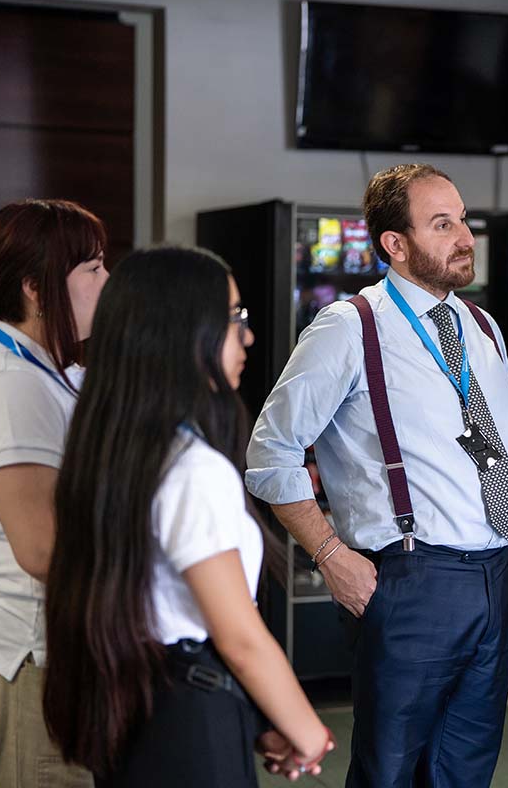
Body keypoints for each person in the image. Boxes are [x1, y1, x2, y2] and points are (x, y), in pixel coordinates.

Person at [246, 163, 508, 787]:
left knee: (466, 770)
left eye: (463, 220)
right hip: (410, 579)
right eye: (443, 224)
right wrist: (329, 554)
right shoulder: (349, 326)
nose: (465, 236)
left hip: (494, 576)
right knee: (390, 771)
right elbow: (271, 454)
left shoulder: (482, 327)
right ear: (395, 244)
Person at [41, 246, 333, 786]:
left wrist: (254, 723)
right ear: (182, 330)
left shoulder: (114, 447)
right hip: (185, 717)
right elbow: (238, 636)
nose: (246, 336)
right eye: (234, 318)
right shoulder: (192, 468)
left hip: (138, 702)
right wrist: (307, 732)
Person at [0, 199, 108, 788]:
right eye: (91, 268)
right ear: (37, 289)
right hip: (26, 668)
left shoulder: (49, 368)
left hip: (58, 658)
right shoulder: (7, 388)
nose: (106, 281)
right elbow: (42, 551)